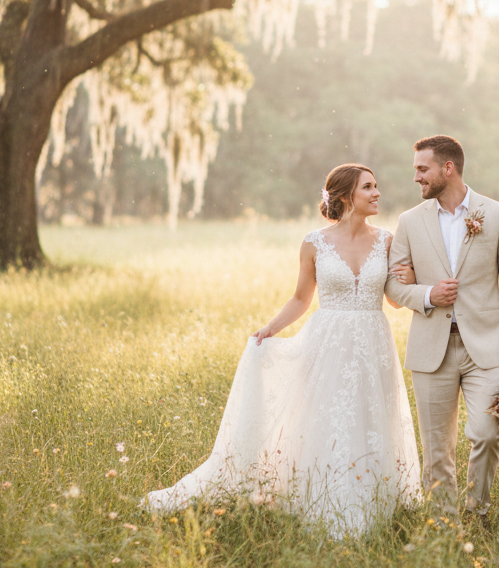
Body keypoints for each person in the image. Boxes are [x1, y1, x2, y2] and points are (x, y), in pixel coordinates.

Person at [142, 164, 421, 536]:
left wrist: (411, 277)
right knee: (328, 418)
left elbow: (397, 302)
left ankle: (372, 500)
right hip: (327, 342)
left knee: (370, 418)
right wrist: (270, 329)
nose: (377, 193)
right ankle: (322, 497)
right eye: (368, 187)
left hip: (373, 341)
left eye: (376, 186)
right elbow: (301, 298)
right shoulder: (314, 243)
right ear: (344, 197)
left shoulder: (387, 240)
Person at [385, 135, 499, 527]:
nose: (416, 176)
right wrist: (428, 294)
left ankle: (478, 513)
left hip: (484, 349)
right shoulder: (409, 221)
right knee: (437, 450)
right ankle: (444, 523)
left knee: (486, 433)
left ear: (447, 168)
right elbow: (393, 284)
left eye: (422, 168)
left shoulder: (498, 215)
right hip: (430, 347)